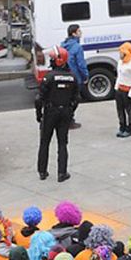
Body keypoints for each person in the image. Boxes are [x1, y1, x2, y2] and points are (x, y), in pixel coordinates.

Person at [36, 46, 80, 183]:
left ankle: (42, 171)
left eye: (52, 59)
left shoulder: (48, 77)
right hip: (65, 112)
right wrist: (71, 111)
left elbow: (38, 99)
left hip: (50, 112)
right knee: (62, 143)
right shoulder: (72, 78)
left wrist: (39, 115)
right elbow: (76, 99)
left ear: (57, 60)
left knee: (44, 142)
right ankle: (62, 173)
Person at [62, 24, 88, 129]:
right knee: (75, 99)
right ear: (74, 34)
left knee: (67, 100)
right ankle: (69, 121)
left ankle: (65, 120)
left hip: (65, 76)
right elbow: (81, 65)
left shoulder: (63, 45)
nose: (81, 33)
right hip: (75, 77)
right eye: (79, 31)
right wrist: (85, 76)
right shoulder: (77, 47)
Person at [115, 42, 131, 138]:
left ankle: (130, 128)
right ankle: (122, 126)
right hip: (120, 88)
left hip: (128, 90)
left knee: (129, 110)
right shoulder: (120, 62)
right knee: (120, 110)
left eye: (121, 52)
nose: (120, 54)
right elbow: (119, 75)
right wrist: (116, 88)